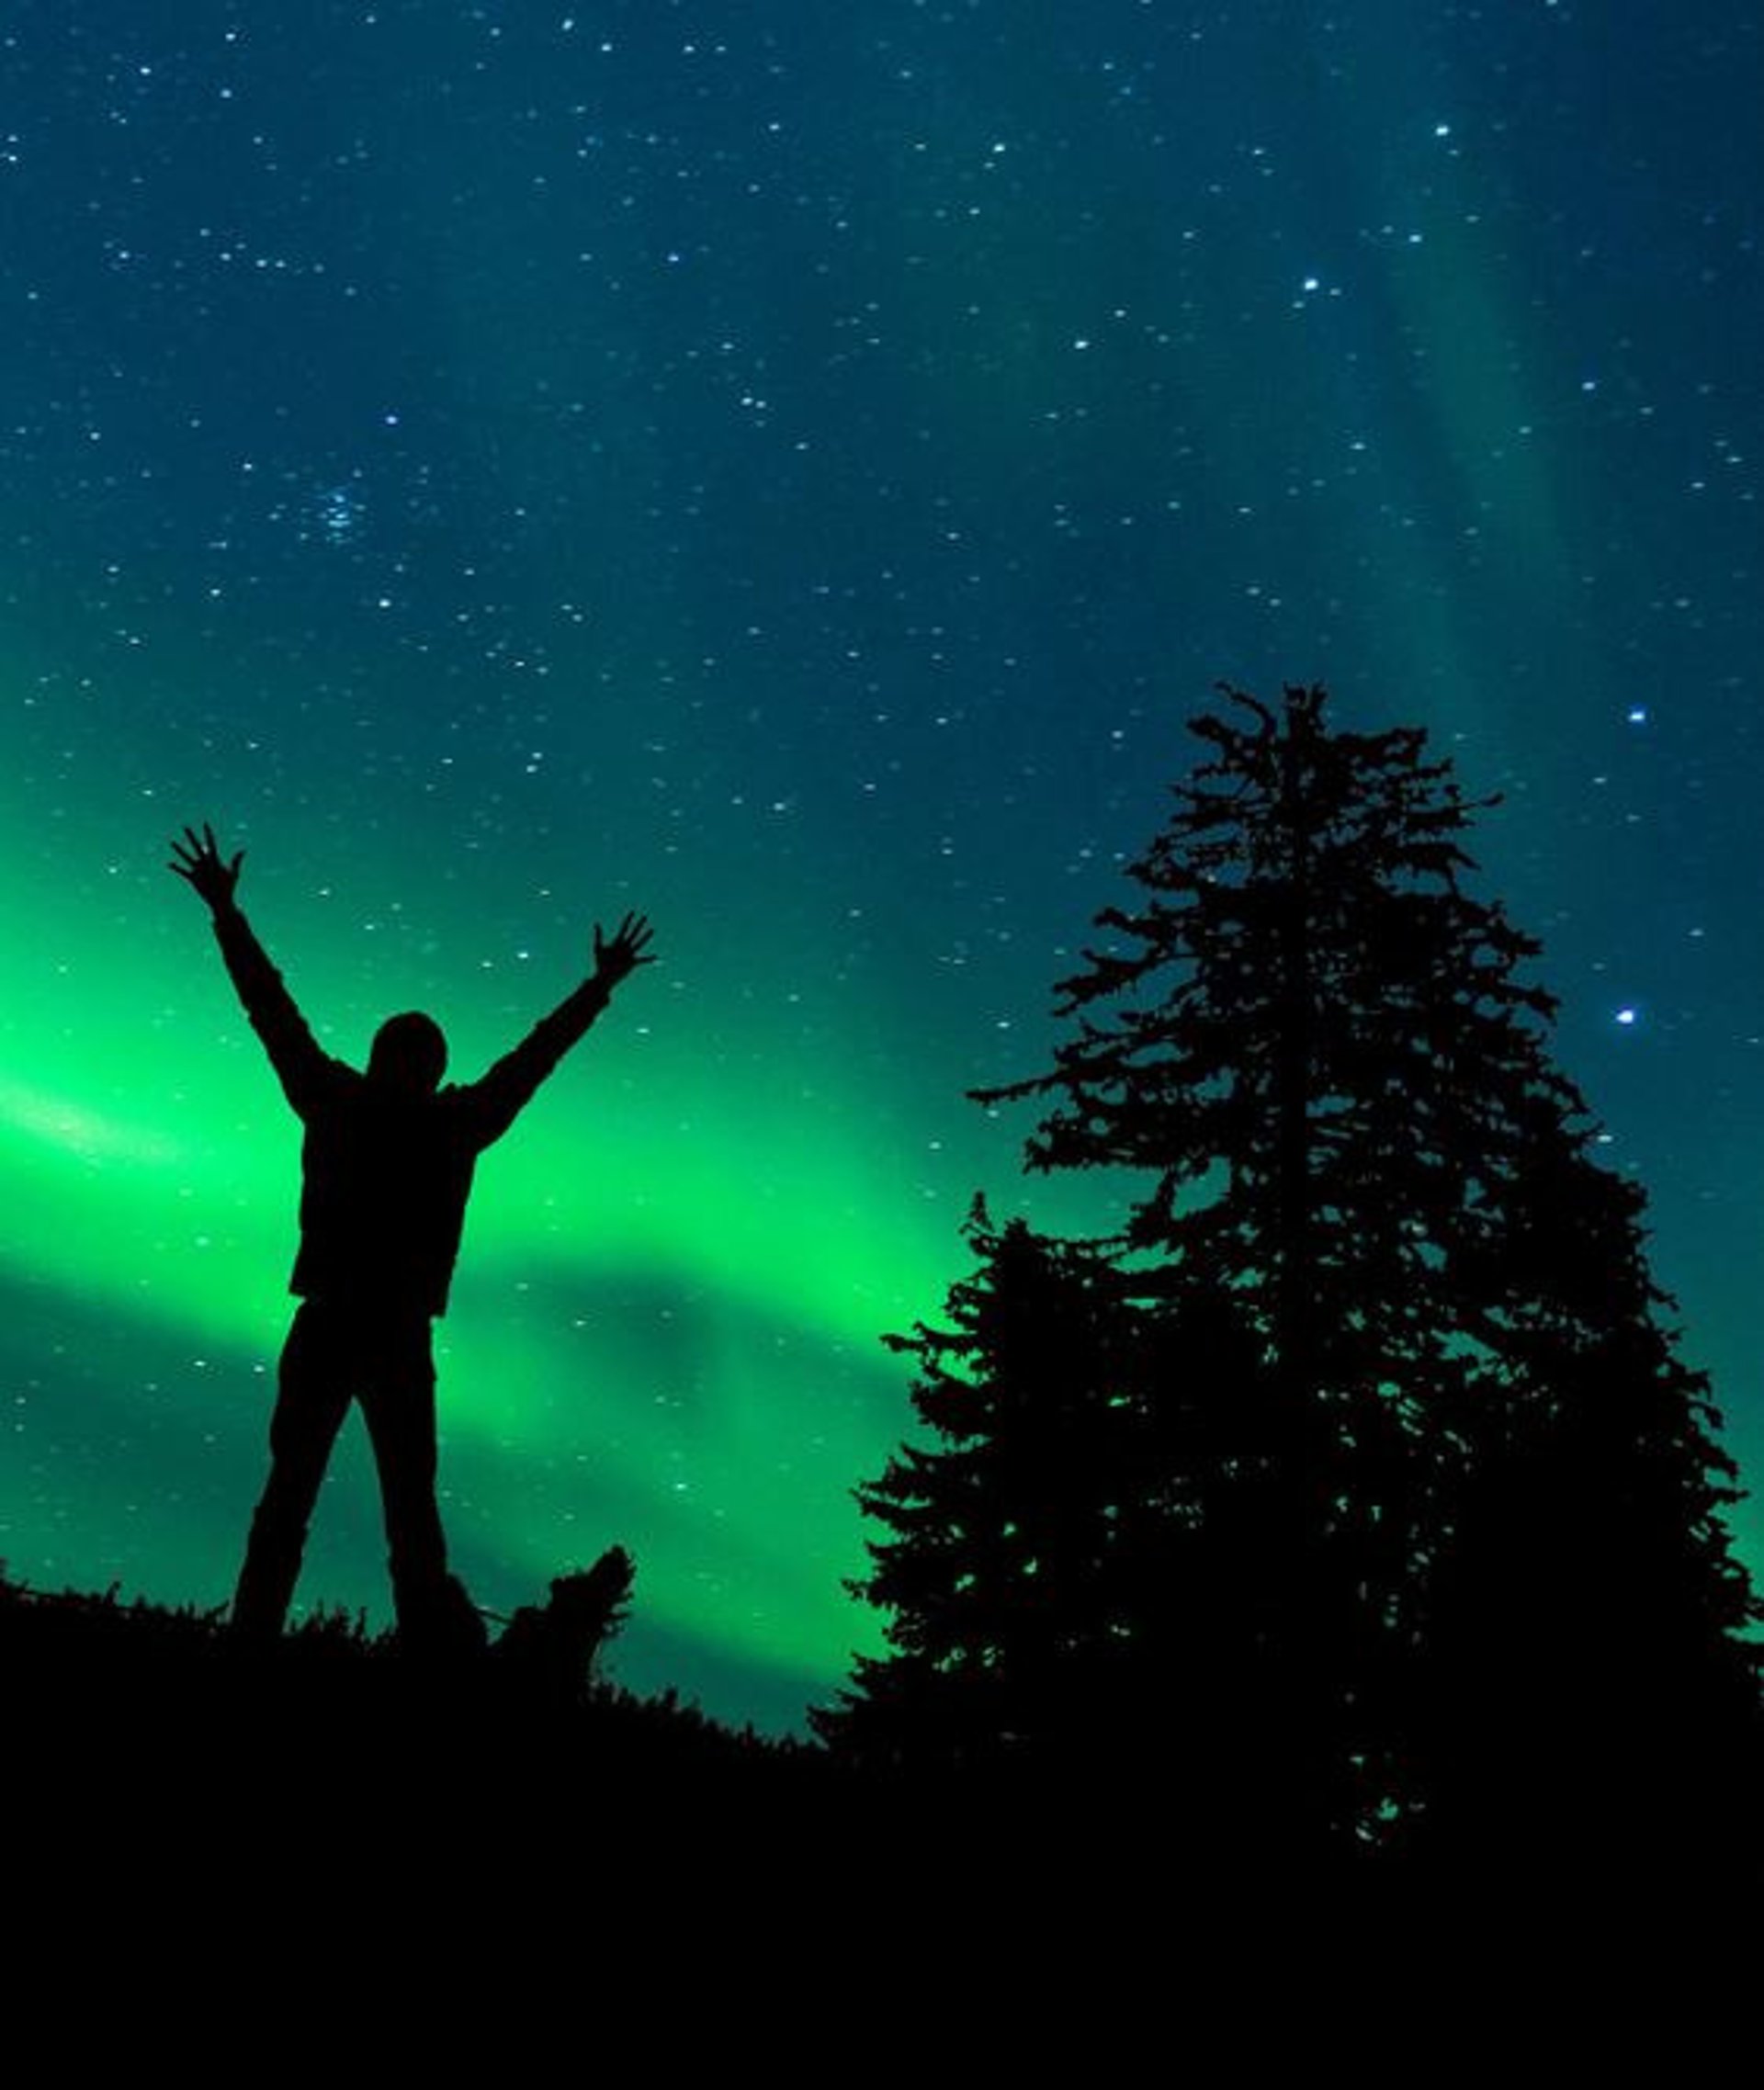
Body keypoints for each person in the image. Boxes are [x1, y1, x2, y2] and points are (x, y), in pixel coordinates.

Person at [169, 822, 654, 1651]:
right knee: (405, 1514)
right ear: (429, 1067)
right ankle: (428, 1662)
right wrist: (596, 987)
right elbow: (529, 1063)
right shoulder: (450, 1123)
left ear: (385, 1056)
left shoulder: (339, 1100)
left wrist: (225, 912)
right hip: (389, 1330)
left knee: (298, 1497)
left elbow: (271, 1011)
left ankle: (256, 1637)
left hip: (335, 1320)